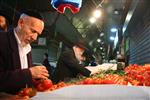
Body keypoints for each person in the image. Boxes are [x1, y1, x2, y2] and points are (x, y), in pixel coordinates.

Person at [0, 10, 49, 94]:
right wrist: (30, 73)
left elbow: (21, 78)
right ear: (21, 23)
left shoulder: (27, 47)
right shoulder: (2, 40)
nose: (35, 38)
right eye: (33, 31)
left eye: (38, 34)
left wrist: (37, 79)